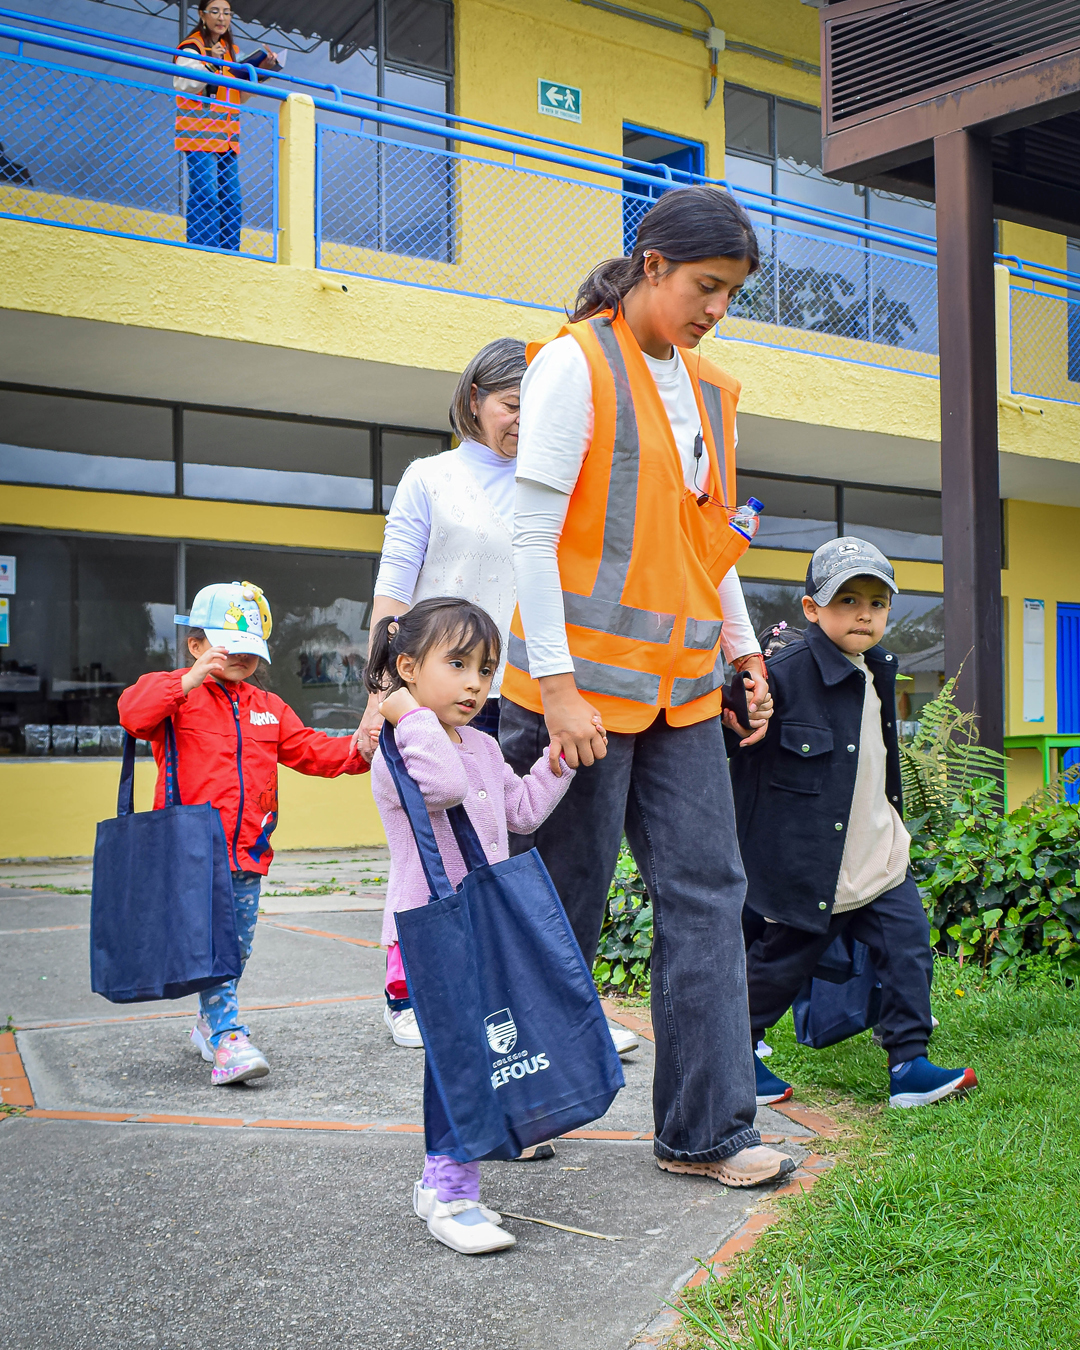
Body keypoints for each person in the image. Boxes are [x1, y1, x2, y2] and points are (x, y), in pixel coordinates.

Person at [500, 185, 795, 1189]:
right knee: (559, 903)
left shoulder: (711, 391)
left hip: (681, 694)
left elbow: (709, 548)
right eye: (706, 286)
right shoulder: (574, 366)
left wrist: (747, 654)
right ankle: (519, 1104)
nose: (716, 309)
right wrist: (559, 686)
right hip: (571, 698)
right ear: (652, 264)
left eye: (732, 294)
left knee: (709, 894)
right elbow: (531, 535)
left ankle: (706, 1132)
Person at [358, 339, 640, 1061]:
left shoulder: (561, 481)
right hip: (432, 694)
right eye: (512, 405)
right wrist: (383, 693)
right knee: (433, 858)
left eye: (537, 409)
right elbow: (393, 593)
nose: (523, 422)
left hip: (531, 690)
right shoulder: (432, 477)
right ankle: (414, 989)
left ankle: (558, 1005)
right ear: (475, 397)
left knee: (542, 861)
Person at [731, 538, 977, 1110]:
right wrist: (737, 709)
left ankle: (909, 1064)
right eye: (846, 600)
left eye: (877, 601)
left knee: (910, 946)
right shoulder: (780, 672)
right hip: (806, 866)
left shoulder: (879, 668)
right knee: (779, 965)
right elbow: (730, 731)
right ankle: (734, 1054)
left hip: (878, 851)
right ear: (812, 608)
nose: (863, 613)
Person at [367, 597, 574, 1254]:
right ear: (406, 666)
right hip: (429, 930)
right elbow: (445, 787)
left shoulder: (482, 744)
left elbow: (520, 812)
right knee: (463, 1059)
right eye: (456, 664)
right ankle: (451, 1190)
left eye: (484, 669)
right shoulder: (401, 747)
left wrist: (558, 761)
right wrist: (403, 710)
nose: (475, 684)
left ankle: (444, 1182)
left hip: (479, 928)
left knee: (475, 1056)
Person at [117, 581, 369, 1086]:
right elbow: (132, 712)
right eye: (229, 650)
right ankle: (229, 1038)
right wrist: (187, 681)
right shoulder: (177, 697)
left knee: (237, 946)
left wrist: (363, 748)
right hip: (189, 851)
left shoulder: (268, 708)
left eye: (251, 653)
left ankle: (209, 1020)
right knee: (215, 946)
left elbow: (314, 752)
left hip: (248, 853)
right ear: (196, 644)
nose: (241, 661)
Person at [173, 1, 282, 251]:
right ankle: (203, 250)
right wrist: (211, 62)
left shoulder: (231, 51)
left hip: (227, 137)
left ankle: (229, 253)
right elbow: (183, 83)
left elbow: (237, 97)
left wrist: (260, 71)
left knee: (231, 199)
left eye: (226, 13)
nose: (221, 18)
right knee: (207, 195)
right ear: (202, 15)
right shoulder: (192, 46)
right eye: (215, 11)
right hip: (200, 134)